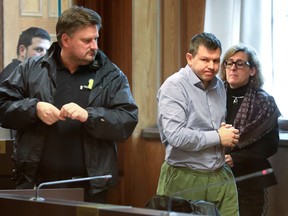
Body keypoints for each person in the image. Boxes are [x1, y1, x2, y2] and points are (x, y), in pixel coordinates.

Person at [0, 6, 138, 203]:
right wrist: (34, 108)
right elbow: (2, 104)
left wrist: (89, 116)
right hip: (37, 183)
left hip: (90, 187)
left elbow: (127, 120)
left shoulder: (111, 75)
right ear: (65, 40)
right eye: (87, 40)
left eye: (96, 39)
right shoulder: (31, 68)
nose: (94, 46)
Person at [156, 32, 240, 216]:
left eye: (216, 61)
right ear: (190, 58)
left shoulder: (219, 85)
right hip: (185, 176)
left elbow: (216, 126)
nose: (212, 66)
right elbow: (176, 136)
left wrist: (226, 134)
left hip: (220, 175)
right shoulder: (174, 86)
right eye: (205, 59)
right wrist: (218, 137)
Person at [219, 44, 281, 216]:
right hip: (214, 178)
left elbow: (271, 145)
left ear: (252, 70)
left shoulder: (264, 102)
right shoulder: (212, 97)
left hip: (250, 180)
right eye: (229, 62)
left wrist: (236, 158)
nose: (232, 67)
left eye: (240, 63)